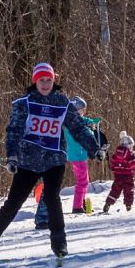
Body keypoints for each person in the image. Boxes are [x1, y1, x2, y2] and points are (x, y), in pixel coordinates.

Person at [0, 63, 104, 265]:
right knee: (13, 203)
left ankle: (59, 243)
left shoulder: (63, 103)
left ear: (54, 81)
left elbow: (78, 129)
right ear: (35, 81)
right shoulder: (24, 104)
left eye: (49, 80)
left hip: (54, 159)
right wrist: (12, 157)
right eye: (42, 80)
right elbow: (14, 131)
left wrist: (94, 149)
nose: (45, 84)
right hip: (28, 160)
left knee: (52, 197)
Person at [34, 96, 102, 228]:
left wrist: (91, 122)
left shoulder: (66, 121)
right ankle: (77, 205)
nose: (84, 113)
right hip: (77, 155)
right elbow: (83, 128)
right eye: (82, 110)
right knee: (83, 181)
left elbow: (83, 121)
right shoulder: (74, 124)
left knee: (80, 180)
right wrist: (91, 131)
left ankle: (80, 203)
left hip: (72, 154)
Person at [102, 131, 135, 213]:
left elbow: (112, 164)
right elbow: (132, 165)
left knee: (115, 191)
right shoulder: (130, 155)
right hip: (128, 177)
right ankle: (128, 206)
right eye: (131, 147)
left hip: (118, 177)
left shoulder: (116, 154)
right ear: (128, 146)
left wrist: (116, 168)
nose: (132, 149)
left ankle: (108, 203)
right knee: (128, 191)